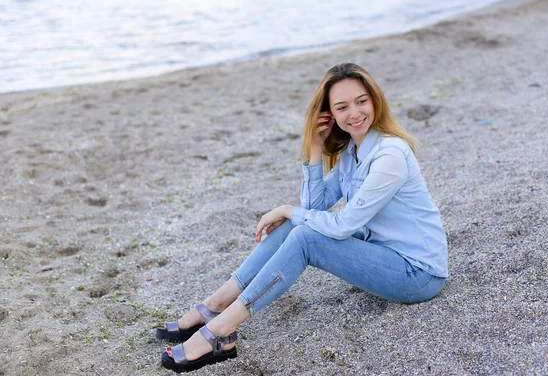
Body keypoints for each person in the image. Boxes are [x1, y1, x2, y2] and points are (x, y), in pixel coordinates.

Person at [157, 63, 449, 372]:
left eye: (362, 101)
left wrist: (286, 209)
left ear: (375, 100)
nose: (355, 113)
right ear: (330, 115)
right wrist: (314, 151)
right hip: (384, 255)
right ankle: (215, 306)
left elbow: (344, 225)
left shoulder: (389, 155)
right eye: (342, 107)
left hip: (417, 274)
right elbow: (315, 208)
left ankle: (220, 330)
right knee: (298, 225)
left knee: (305, 235)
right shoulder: (354, 151)